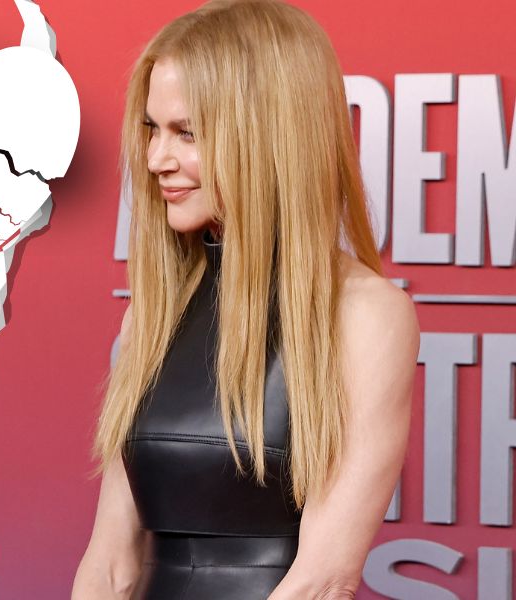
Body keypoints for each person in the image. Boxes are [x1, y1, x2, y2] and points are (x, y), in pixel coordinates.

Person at [72, 1, 418, 598]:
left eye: (187, 133)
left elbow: (322, 580)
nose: (155, 160)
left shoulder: (367, 316)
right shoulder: (150, 316)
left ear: (268, 135)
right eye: (152, 129)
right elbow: (110, 566)